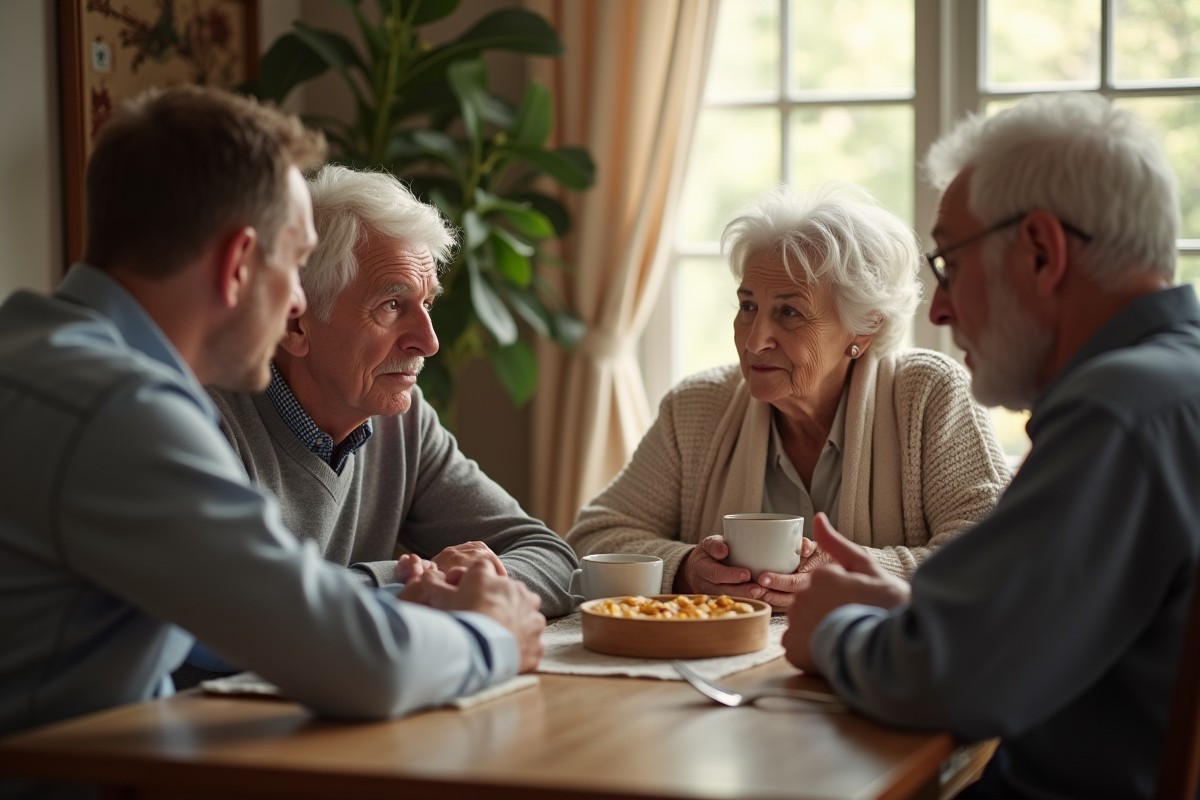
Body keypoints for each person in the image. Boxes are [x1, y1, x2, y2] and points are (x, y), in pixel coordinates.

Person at [0, 86, 544, 799]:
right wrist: (491, 635)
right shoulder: (121, 408)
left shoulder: (34, 349)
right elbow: (357, 663)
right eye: (293, 264)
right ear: (237, 264)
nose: (296, 304)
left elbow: (243, 625)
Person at [783, 93, 1199, 800]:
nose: (940, 309)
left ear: (1041, 251)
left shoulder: (1119, 414)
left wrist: (832, 626)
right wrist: (906, 613)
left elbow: (942, 680)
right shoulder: (1173, 389)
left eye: (949, 263)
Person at [567, 184, 1011, 611]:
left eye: (789, 312)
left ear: (864, 326)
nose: (755, 339)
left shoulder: (929, 395)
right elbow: (596, 536)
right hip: (721, 665)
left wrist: (854, 572)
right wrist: (684, 570)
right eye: (747, 307)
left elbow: (996, 554)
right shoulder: (696, 407)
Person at [203, 163, 576, 612]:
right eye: (392, 304)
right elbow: (238, 610)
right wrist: (402, 584)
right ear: (295, 322)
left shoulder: (406, 423)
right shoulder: (209, 422)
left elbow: (553, 559)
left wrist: (449, 581)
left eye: (427, 303)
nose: (430, 341)